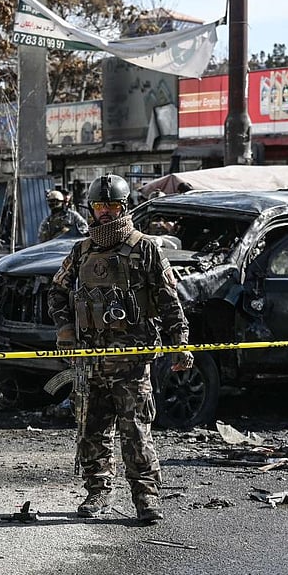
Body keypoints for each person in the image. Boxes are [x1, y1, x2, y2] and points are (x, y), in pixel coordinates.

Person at [47, 174, 194, 523]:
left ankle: (146, 498)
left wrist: (180, 346)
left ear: (124, 208)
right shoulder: (81, 251)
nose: (106, 214)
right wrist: (66, 328)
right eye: (100, 207)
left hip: (131, 363)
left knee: (136, 432)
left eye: (112, 206)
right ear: (91, 210)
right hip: (90, 360)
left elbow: (170, 302)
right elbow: (56, 292)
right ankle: (97, 492)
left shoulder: (145, 248)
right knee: (91, 430)